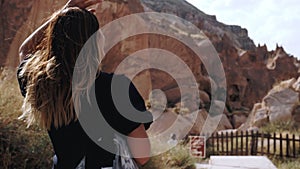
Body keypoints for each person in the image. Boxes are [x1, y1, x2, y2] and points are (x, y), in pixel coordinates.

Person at [17, 0, 152, 168]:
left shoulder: (43, 85)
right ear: (94, 44)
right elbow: (142, 156)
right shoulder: (116, 88)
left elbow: (25, 50)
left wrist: (62, 14)